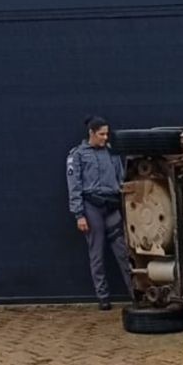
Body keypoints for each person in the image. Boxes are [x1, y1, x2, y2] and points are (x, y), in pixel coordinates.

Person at [65, 115, 131, 310]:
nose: (105, 137)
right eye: (101, 134)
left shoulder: (112, 153)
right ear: (91, 133)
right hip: (92, 207)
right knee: (97, 254)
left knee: (123, 252)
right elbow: (74, 186)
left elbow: (121, 178)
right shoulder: (77, 155)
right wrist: (79, 215)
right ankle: (103, 297)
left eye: (106, 134)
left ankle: (135, 294)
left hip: (111, 206)